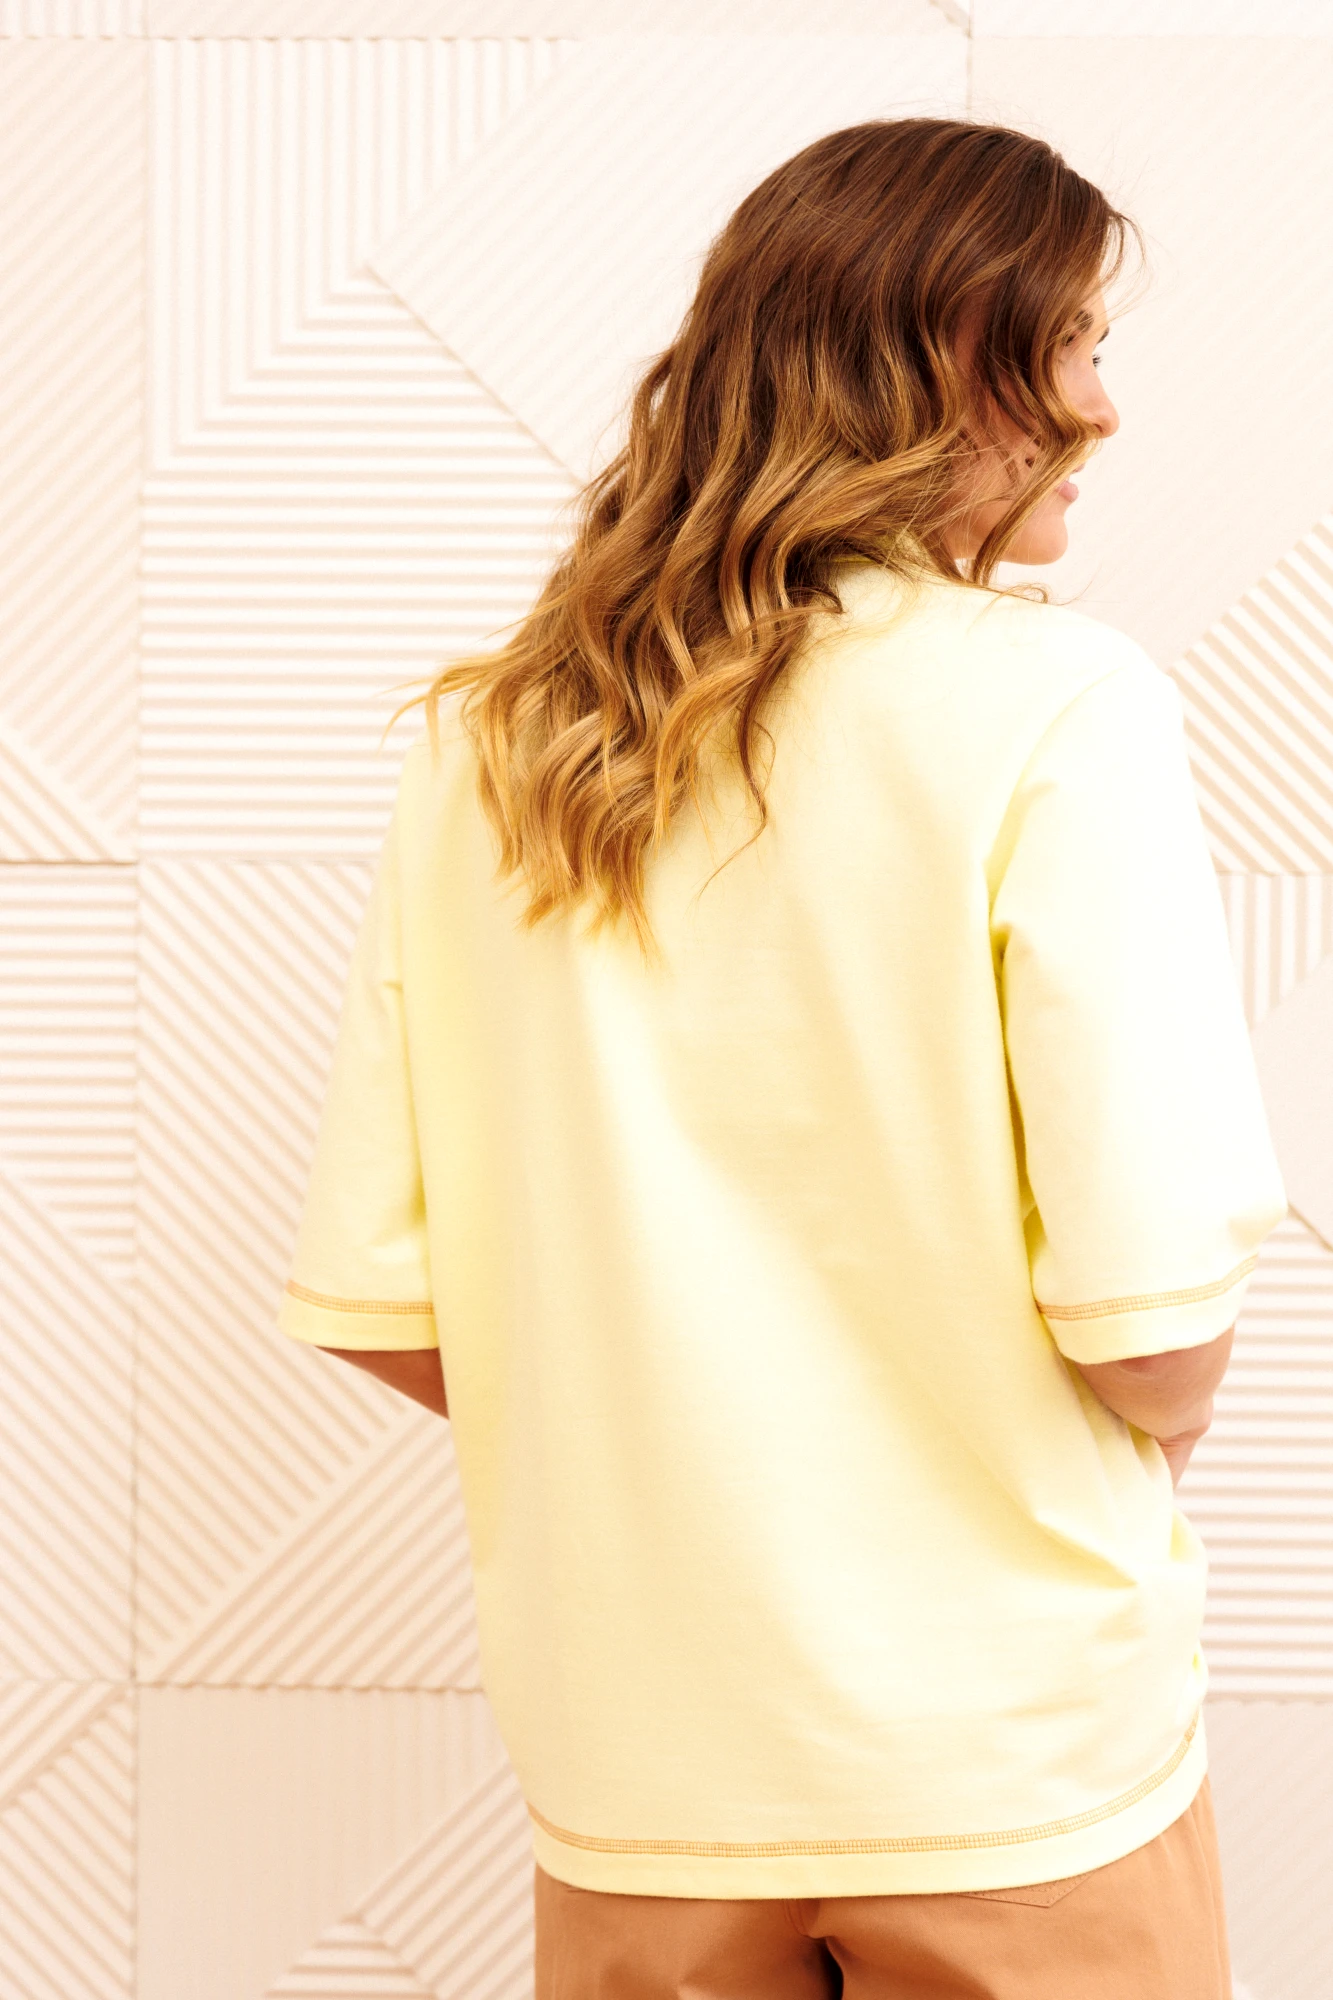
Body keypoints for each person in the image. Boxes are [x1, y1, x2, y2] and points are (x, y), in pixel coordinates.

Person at [277, 118, 1287, 1998]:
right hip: (1006, 1764)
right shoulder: (1055, 706)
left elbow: (400, 1314)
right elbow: (1152, 1333)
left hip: (639, 1767)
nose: (1105, 409)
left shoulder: (494, 744)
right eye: (1074, 347)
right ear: (952, 360)